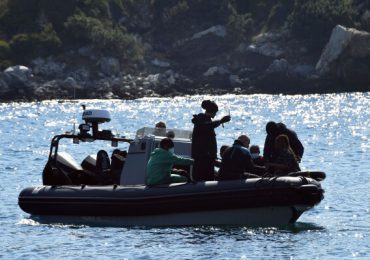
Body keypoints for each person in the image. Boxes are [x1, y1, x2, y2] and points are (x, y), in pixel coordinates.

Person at [191, 100, 231, 181]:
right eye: (215, 112)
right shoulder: (201, 119)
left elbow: (209, 125)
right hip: (202, 158)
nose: (215, 114)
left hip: (208, 158)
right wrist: (221, 121)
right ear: (211, 111)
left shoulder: (206, 120)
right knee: (203, 178)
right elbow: (207, 126)